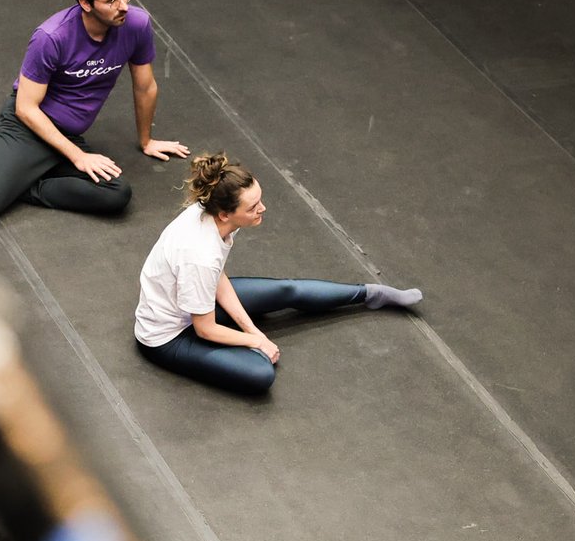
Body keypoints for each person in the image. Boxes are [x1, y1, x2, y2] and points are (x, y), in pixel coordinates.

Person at [133, 152, 423, 394]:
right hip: (168, 338)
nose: (263, 208)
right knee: (260, 375)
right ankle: (243, 351)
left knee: (288, 290)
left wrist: (253, 331)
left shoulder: (210, 213)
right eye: (253, 207)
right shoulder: (200, 254)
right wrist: (257, 342)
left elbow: (217, 279)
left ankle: (371, 293)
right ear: (225, 214)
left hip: (197, 302)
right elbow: (204, 328)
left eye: (259, 199)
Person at [0, 0, 187, 226]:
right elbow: (25, 108)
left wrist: (146, 141)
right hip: (29, 128)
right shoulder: (52, 37)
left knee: (116, 194)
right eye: (112, 1)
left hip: (69, 133)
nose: (123, 6)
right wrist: (78, 156)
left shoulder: (136, 25)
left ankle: (21, 187)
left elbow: (145, 86)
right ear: (85, 4)